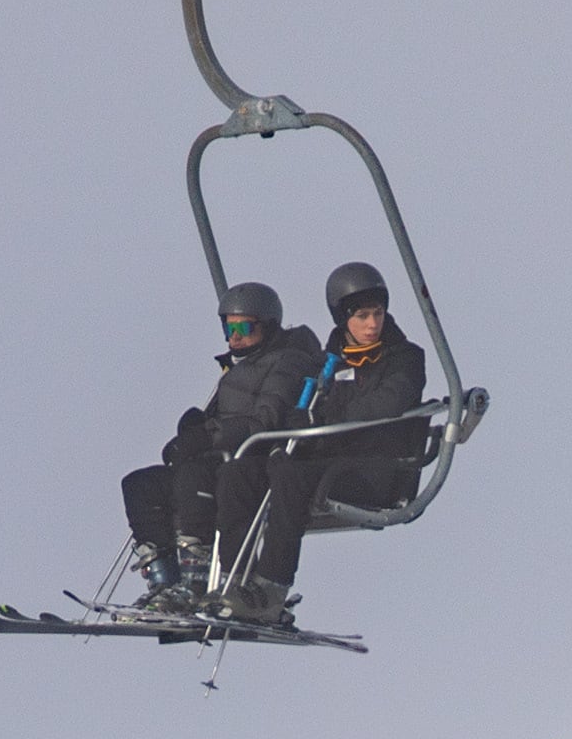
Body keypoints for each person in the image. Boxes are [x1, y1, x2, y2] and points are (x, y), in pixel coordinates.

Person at [217, 264, 437, 624]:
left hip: (374, 472)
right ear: (342, 319)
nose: (372, 325)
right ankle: (235, 580)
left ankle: (271, 588)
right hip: (329, 462)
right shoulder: (328, 363)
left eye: (378, 314)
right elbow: (315, 405)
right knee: (240, 471)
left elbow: (386, 403)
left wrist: (322, 421)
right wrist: (298, 422)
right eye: (363, 316)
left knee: (290, 475)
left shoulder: (404, 358)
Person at [115, 282, 320, 610]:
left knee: (194, 477)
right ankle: (164, 580)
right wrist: (191, 433)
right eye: (228, 327)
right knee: (141, 485)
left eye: (243, 327)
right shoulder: (241, 367)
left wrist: (207, 437)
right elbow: (220, 418)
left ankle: (195, 581)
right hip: (220, 456)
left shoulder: (289, 362)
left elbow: (264, 420)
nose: (233, 336)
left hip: (250, 461)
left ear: (266, 326)